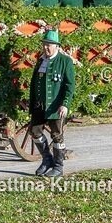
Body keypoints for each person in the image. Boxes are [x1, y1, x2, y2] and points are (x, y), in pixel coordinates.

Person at [29, 30, 75, 178]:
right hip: (40, 105)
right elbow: (35, 83)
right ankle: (47, 159)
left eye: (49, 45)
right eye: (44, 44)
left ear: (56, 46)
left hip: (56, 106)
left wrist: (65, 104)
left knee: (57, 136)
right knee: (34, 131)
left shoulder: (65, 61)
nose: (46, 47)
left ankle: (58, 167)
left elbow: (70, 85)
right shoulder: (41, 60)